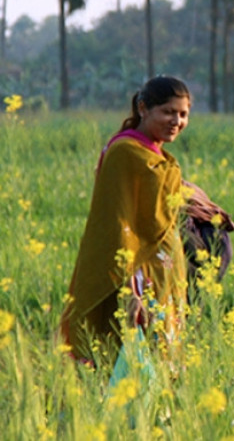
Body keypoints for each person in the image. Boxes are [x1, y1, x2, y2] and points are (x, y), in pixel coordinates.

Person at [59, 76, 191, 366]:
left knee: (160, 360)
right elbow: (118, 221)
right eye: (168, 112)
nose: (176, 121)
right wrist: (130, 288)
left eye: (183, 114)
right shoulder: (125, 153)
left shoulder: (156, 154)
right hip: (138, 273)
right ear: (143, 108)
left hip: (163, 272)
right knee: (131, 359)